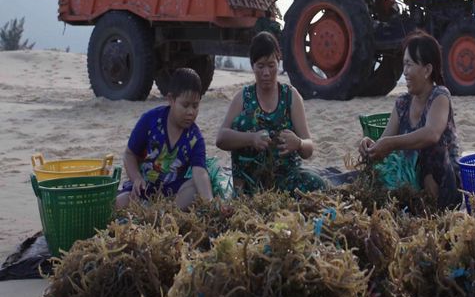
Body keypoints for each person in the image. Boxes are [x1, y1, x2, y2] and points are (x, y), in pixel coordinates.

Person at [359, 30, 461, 209]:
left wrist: (391, 144)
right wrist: (371, 146)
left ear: (427, 70)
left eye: (409, 65)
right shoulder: (402, 103)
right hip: (412, 185)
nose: (404, 72)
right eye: (404, 65)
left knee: (430, 149)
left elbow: (432, 134)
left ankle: (435, 211)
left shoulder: (440, 96)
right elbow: (384, 141)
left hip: (446, 184)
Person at [216, 31, 325, 195]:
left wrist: (298, 143)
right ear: (252, 66)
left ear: (278, 62)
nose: (266, 73)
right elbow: (221, 138)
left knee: (318, 184)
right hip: (249, 185)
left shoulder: (291, 96)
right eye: (260, 66)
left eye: (271, 65)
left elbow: (308, 148)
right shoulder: (243, 98)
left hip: (286, 181)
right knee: (241, 123)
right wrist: (251, 139)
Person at [116, 68, 213, 210]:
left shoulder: (195, 138)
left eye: (195, 106)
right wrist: (136, 178)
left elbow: (200, 171)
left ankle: (168, 214)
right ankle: (152, 211)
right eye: (185, 105)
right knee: (119, 202)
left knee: (194, 186)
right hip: (143, 188)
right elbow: (130, 154)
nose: (191, 112)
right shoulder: (150, 121)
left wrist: (210, 202)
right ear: (171, 100)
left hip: (172, 194)